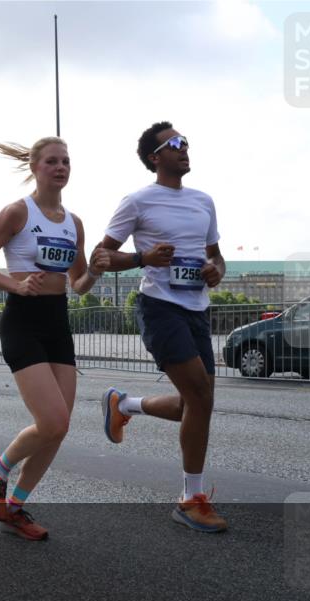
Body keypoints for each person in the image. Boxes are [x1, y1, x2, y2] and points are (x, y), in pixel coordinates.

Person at [0, 137, 104, 540]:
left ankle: (15, 507)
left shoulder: (73, 222)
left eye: (66, 161)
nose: (60, 167)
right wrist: (14, 284)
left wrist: (93, 269)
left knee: (59, 428)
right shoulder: (16, 212)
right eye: (51, 161)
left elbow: (78, 284)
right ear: (35, 166)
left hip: (57, 322)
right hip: (22, 321)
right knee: (52, 420)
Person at [94, 122, 227, 533]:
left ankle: (125, 404)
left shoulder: (203, 201)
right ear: (155, 157)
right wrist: (143, 259)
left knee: (195, 404)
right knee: (200, 395)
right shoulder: (137, 201)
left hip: (196, 309)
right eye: (174, 143)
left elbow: (217, 257)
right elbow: (101, 256)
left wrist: (214, 272)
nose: (184, 148)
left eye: (185, 142)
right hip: (159, 306)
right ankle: (191, 499)